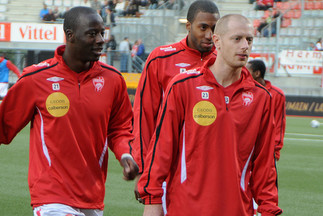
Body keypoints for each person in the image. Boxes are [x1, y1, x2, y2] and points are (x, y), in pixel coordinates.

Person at [137, 14, 282, 216]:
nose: (245, 46)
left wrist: (268, 209)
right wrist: (152, 200)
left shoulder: (261, 98)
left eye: (249, 40)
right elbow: (162, 149)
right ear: (217, 41)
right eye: (237, 39)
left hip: (237, 209)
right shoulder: (183, 86)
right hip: (185, 208)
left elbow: (265, 165)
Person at [0, 6, 138, 215]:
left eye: (102, 33)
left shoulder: (113, 80)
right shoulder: (36, 79)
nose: (101, 39)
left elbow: (119, 129)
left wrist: (126, 155)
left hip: (92, 196)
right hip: (50, 195)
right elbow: (3, 127)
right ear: (70, 36)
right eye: (92, 34)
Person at [133, 0, 220, 198]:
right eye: (203, 27)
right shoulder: (160, 59)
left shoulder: (224, 62)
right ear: (188, 26)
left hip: (213, 169)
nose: (209, 35)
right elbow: (143, 117)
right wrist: (143, 170)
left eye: (214, 28)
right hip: (167, 168)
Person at [246, 59, 286, 161]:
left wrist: (275, 150)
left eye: (247, 70)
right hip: (246, 149)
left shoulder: (277, 94)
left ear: (257, 73)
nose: (243, 73)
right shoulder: (244, 91)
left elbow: (279, 124)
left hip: (268, 151)